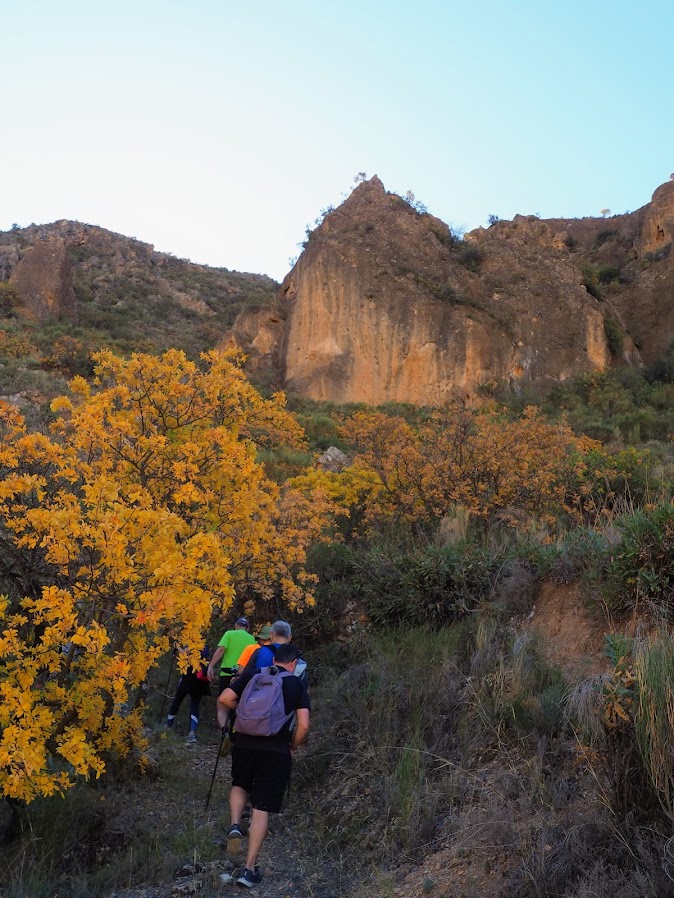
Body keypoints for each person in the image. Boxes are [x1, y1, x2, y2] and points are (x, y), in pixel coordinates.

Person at [218, 643, 310, 888]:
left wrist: (246, 716)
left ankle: (236, 823)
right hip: (275, 749)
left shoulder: (253, 675)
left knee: (239, 784)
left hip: (244, 744)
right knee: (261, 807)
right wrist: (293, 746)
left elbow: (225, 697)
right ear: (293, 663)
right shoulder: (295, 683)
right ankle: (248, 870)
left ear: (275, 660)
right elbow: (303, 725)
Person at [166, 647, 211, 744]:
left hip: (188, 677)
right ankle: (192, 732)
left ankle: (168, 725)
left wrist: (178, 647)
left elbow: (186, 654)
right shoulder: (203, 645)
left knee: (177, 700)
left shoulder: (191, 641)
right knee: (195, 705)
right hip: (199, 681)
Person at [207, 616, 256, 695]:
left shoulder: (229, 634)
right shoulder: (252, 639)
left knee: (222, 700)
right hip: (242, 675)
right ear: (247, 628)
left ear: (236, 626)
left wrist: (211, 666)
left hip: (227, 673)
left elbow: (221, 649)